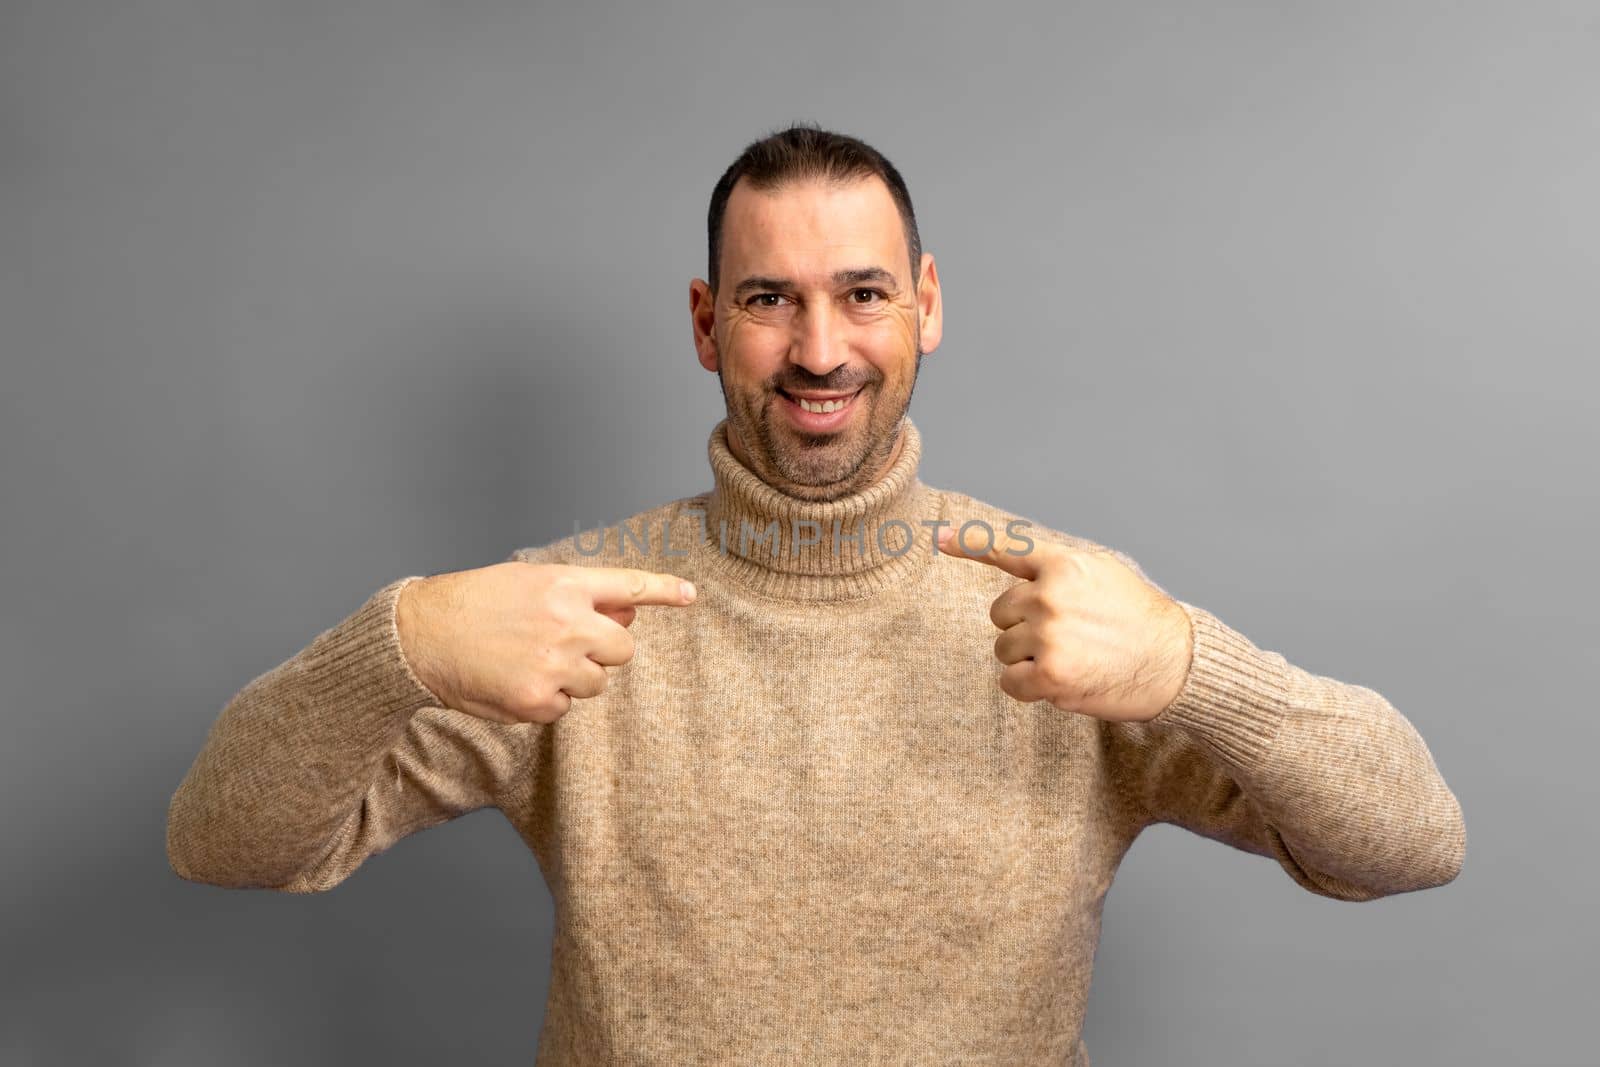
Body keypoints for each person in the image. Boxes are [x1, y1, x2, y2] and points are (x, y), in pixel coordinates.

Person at [166, 122, 1466, 1066]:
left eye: (863, 295)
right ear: (702, 323)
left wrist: (1192, 663)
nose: (821, 349)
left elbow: (1412, 845)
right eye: (768, 301)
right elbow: (223, 844)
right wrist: (394, 644)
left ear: (928, 306)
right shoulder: (563, 616)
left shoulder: (1066, 615)